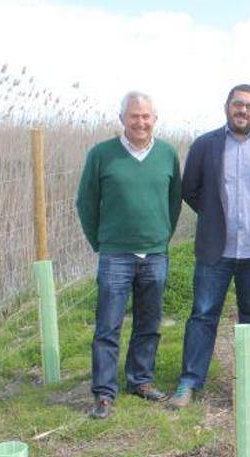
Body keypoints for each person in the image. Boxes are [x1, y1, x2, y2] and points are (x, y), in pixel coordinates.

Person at [169, 84, 250, 408]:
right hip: (216, 250)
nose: (243, 111)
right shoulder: (205, 145)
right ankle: (190, 381)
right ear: (226, 106)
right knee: (203, 314)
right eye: (238, 104)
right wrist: (213, 216)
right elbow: (190, 190)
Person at [76, 91, 182, 419]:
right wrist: (102, 242)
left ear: (155, 119)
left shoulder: (167, 155)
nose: (140, 122)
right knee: (108, 324)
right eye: (134, 116)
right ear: (122, 118)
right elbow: (86, 203)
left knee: (149, 322)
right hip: (115, 255)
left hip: (154, 254)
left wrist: (161, 237)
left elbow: (173, 201)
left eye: (146, 116)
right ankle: (104, 392)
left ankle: (141, 380)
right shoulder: (101, 155)